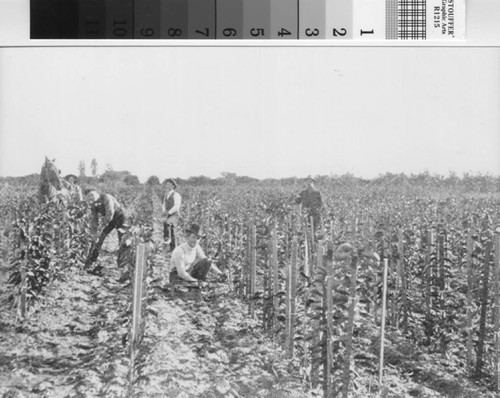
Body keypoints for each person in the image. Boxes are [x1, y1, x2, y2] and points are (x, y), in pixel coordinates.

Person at [84, 189, 128, 267]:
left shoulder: (106, 197)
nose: (91, 197)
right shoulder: (93, 205)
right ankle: (91, 261)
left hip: (120, 217)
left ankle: (122, 264)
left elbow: (110, 213)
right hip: (110, 220)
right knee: (99, 238)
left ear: (97, 193)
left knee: (123, 240)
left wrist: (102, 226)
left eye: (92, 194)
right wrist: (95, 232)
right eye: (89, 196)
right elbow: (94, 219)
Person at [162, 178, 181, 252]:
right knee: (172, 230)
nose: (167, 186)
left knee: (166, 223)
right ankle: (173, 248)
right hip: (169, 214)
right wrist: (164, 211)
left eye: (169, 184)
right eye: (166, 184)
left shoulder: (176, 195)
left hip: (175, 214)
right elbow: (164, 204)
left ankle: (167, 238)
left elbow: (176, 206)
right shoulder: (166, 195)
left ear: (173, 186)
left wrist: (169, 212)